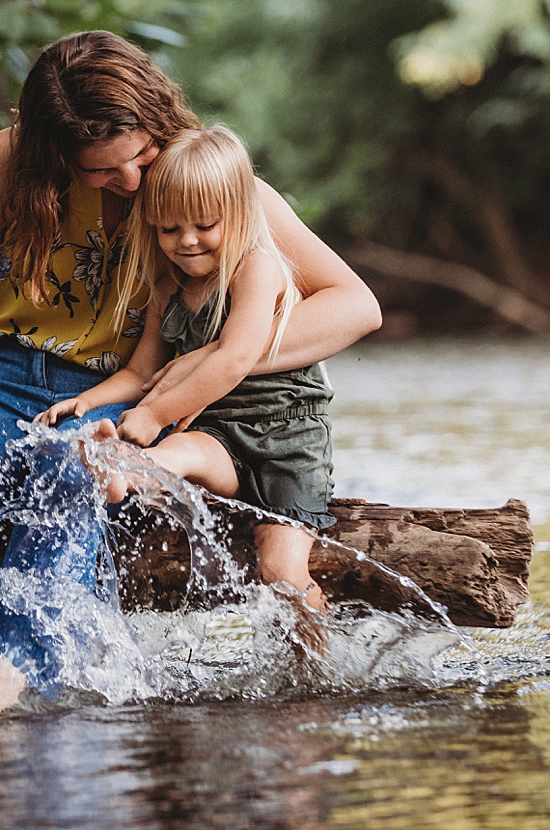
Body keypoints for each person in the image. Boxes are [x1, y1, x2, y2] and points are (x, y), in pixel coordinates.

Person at [0, 31, 381, 720]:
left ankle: (3, 676)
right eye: (100, 172)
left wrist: (216, 358)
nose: (131, 182)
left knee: (74, 474)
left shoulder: (200, 181)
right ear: (54, 157)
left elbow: (355, 304)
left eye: (139, 155)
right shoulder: (3, 166)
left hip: (123, 386)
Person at [34, 124, 334, 609]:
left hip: (286, 440)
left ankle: (321, 665)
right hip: (217, 432)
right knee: (182, 450)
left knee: (280, 572)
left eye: (204, 226)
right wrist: (86, 401)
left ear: (237, 213)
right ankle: (122, 472)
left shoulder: (257, 269)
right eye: (170, 229)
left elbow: (235, 357)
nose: (187, 241)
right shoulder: (168, 285)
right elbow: (140, 373)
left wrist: (153, 415)